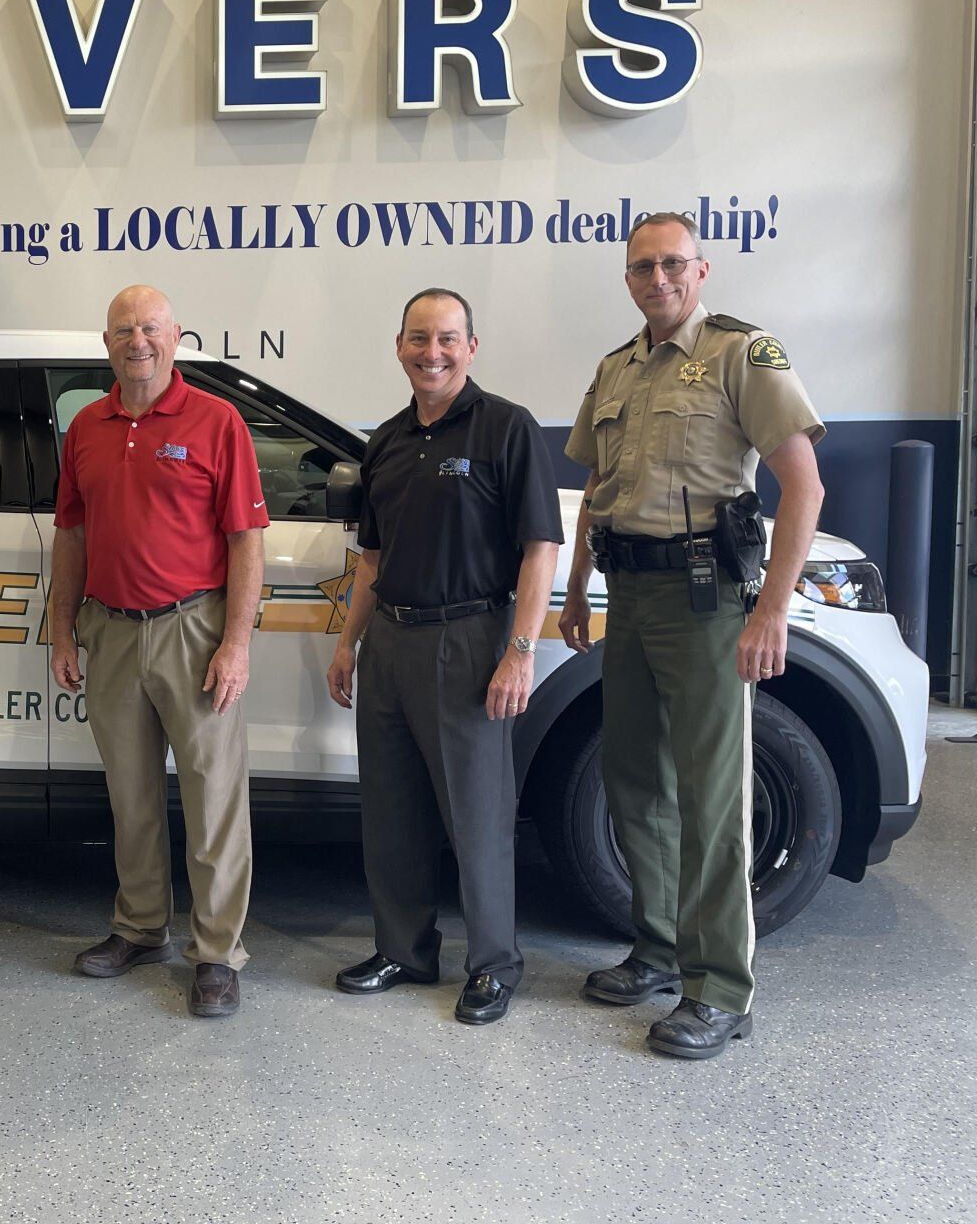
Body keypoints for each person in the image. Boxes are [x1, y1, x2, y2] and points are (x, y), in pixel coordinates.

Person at [559, 212, 825, 1060]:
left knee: (712, 798)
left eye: (673, 263)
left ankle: (719, 990)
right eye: (643, 267)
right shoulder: (616, 369)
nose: (658, 279)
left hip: (707, 600)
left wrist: (772, 610)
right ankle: (660, 948)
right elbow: (596, 490)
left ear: (701, 270)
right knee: (635, 779)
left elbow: (804, 486)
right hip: (630, 594)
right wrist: (578, 588)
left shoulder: (742, 354)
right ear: (628, 278)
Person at [326, 289, 563, 1025]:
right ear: (399, 346)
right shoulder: (387, 441)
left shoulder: (507, 428)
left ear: (471, 347)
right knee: (391, 810)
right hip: (390, 641)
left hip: (468, 642)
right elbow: (372, 557)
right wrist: (348, 642)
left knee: (476, 814)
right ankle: (404, 950)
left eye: (448, 339)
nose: (433, 353)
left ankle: (493, 965)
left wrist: (519, 652)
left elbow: (540, 549)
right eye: (419, 339)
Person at [49, 284, 269, 1019]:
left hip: (193, 629)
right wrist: (62, 628)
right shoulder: (87, 427)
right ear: (106, 343)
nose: (137, 341)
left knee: (212, 798)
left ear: (177, 337)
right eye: (123, 330)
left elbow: (246, 541)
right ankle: (142, 928)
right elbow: (72, 535)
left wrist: (235, 643)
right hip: (110, 630)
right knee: (131, 795)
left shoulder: (217, 421)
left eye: (150, 328)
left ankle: (217, 955)